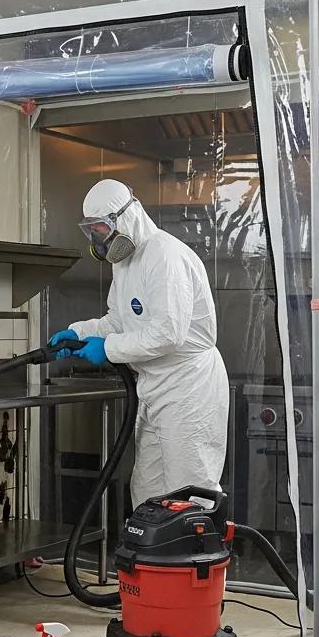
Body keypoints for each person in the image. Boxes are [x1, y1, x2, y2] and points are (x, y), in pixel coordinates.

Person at [51, 179, 229, 508]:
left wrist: (107, 349)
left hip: (188, 387)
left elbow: (168, 332)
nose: (98, 239)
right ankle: (153, 560)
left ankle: (197, 560)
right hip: (155, 387)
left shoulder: (165, 256)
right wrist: (79, 333)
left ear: (126, 217)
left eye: (101, 229)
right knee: (148, 491)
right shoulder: (125, 262)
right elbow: (119, 321)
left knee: (190, 493)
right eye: (92, 231)